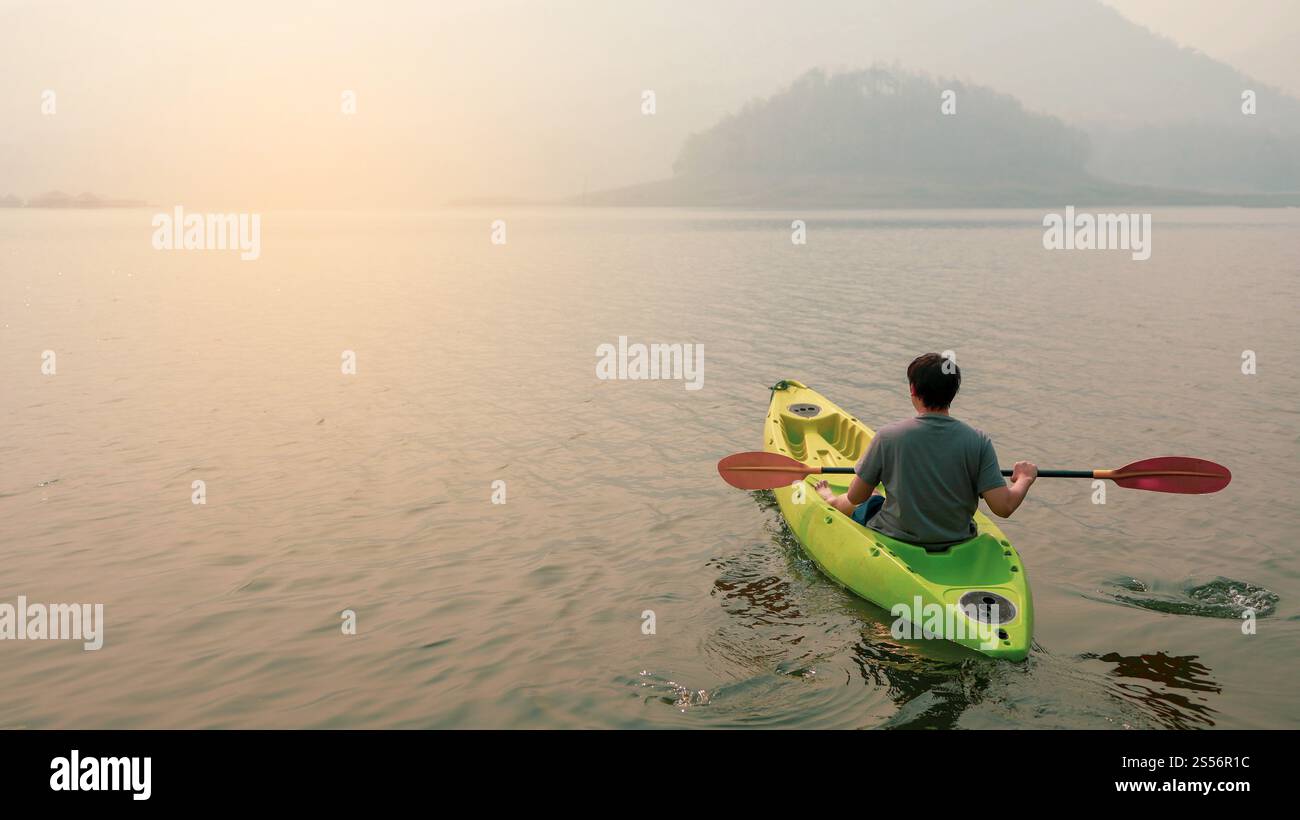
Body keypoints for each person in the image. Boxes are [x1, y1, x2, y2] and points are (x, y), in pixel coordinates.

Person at [814, 353, 1037, 550]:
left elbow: (856, 496)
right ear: (953, 393)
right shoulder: (979, 441)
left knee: (870, 498)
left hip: (896, 537)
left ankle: (831, 500)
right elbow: (1004, 507)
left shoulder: (888, 436)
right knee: (875, 498)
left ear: (913, 389)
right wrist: (1025, 479)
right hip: (958, 539)